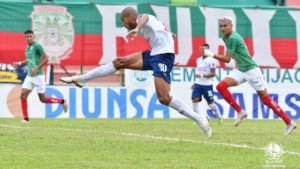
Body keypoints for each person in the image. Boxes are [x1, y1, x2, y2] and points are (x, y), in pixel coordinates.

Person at [60, 7, 212, 138]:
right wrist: (170, 34)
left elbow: (145, 17)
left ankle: (199, 119)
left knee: (164, 98)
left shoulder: (143, 18)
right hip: (154, 54)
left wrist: (137, 28)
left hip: (163, 57)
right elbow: (160, 30)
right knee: (119, 62)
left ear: (130, 17)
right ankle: (83, 79)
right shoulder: (151, 23)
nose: (123, 24)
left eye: (123, 20)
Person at [203, 16, 296, 134]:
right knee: (221, 86)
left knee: (266, 99)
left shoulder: (233, 38)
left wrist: (209, 54)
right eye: (221, 26)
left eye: (225, 25)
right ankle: (240, 112)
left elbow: (226, 59)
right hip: (241, 70)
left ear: (231, 26)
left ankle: (289, 122)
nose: (223, 28)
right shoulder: (226, 38)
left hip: (252, 71)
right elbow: (233, 54)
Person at [13, 29, 68, 123]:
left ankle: (62, 101)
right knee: (23, 95)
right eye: (27, 36)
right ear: (25, 38)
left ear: (34, 37)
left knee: (43, 99)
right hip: (30, 76)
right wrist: (19, 63)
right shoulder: (27, 48)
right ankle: (26, 119)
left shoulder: (37, 46)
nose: (29, 38)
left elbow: (46, 59)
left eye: (31, 36)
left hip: (38, 76)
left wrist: (37, 68)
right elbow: (28, 60)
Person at [192, 43, 222, 122]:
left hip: (207, 85)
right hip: (198, 84)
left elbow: (213, 74)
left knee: (211, 104)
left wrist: (201, 76)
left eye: (205, 49)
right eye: (202, 49)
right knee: (195, 99)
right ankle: (198, 119)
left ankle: (219, 116)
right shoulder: (198, 60)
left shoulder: (211, 60)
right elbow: (198, 72)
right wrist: (195, 83)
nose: (203, 51)